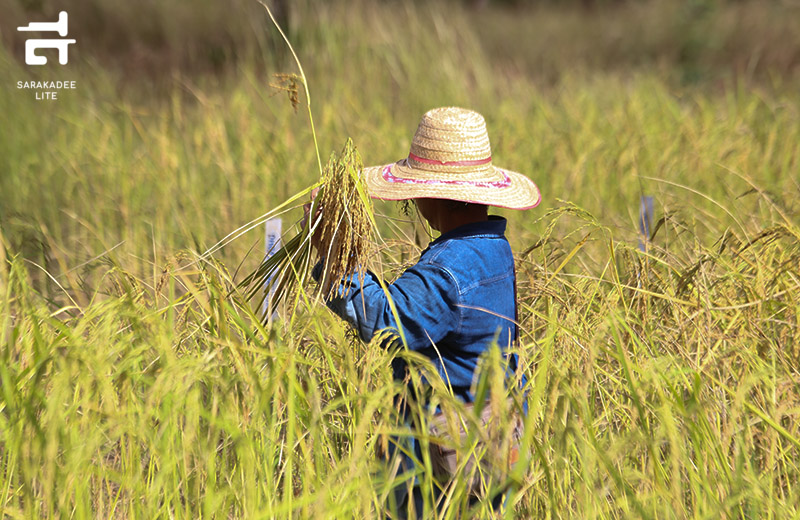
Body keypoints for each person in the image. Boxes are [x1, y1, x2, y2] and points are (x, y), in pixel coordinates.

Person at [306, 106, 540, 517]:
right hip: (494, 438)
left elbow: (384, 320)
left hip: (447, 461)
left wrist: (331, 254)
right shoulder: (493, 249)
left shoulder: (447, 273)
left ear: (435, 195)